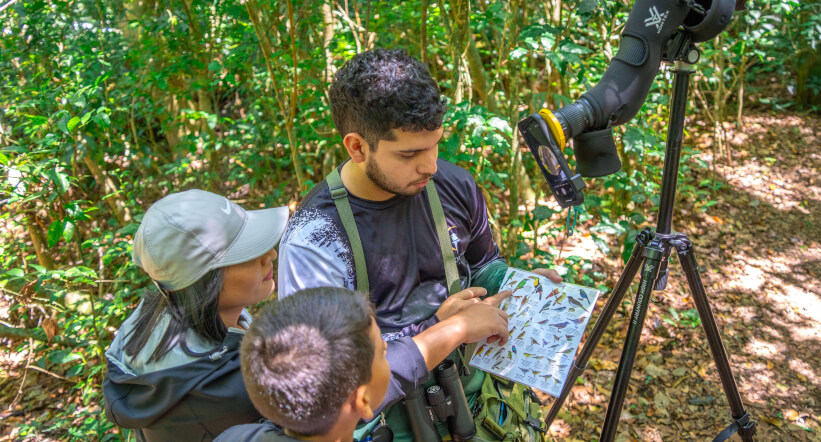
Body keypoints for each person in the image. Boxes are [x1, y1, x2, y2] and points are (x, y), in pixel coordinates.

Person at [277, 48, 561, 440]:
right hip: (393, 424)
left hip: (483, 407)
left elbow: (480, 267)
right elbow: (330, 397)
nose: (430, 165)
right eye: (409, 153)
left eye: (435, 144)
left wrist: (515, 283)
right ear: (357, 147)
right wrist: (446, 331)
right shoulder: (317, 239)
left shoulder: (453, 185)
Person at [102, 189, 290, 441]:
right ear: (205, 282)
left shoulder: (157, 317)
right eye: (248, 251)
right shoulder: (226, 391)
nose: (270, 254)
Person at [215, 286, 512, 442]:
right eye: (383, 353)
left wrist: (445, 327)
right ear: (364, 400)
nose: (389, 351)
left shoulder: (235, 436)